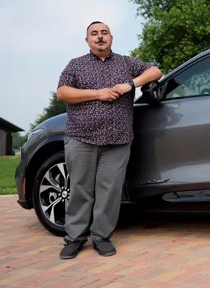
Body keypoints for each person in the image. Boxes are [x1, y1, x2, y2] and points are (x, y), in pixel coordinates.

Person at [56, 21, 162, 259]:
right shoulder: (76, 65)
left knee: (109, 190)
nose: (100, 37)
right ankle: (74, 238)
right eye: (94, 34)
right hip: (81, 138)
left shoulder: (126, 63)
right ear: (87, 41)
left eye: (104, 33)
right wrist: (98, 93)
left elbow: (155, 71)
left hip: (118, 140)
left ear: (111, 38)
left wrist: (130, 84)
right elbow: (63, 92)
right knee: (80, 189)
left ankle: (102, 237)